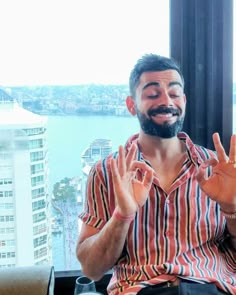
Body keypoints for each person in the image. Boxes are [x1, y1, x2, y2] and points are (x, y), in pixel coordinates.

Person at [76, 54, 236, 295]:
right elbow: (92, 269)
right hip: (139, 289)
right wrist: (122, 215)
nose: (166, 102)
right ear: (131, 105)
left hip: (210, 288)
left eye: (174, 93)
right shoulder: (107, 172)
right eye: (152, 94)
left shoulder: (217, 169)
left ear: (184, 100)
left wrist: (232, 209)